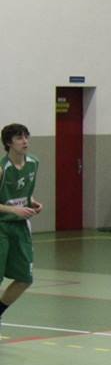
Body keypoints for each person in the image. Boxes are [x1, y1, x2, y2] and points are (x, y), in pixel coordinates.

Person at [0, 123, 42, 328]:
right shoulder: (2, 169)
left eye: (26, 136)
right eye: (19, 138)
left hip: (20, 228)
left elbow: (24, 193)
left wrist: (31, 202)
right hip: (1, 227)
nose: (25, 141)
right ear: (9, 143)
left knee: (25, 278)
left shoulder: (33, 163)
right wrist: (13, 210)